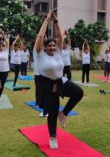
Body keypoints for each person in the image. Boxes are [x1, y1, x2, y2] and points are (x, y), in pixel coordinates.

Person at [34, 11, 83, 150]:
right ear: (44, 47)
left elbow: (60, 37)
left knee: (78, 93)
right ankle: (53, 137)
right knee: (52, 112)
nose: (52, 47)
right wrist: (47, 20)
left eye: (54, 45)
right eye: (49, 45)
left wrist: (56, 22)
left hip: (60, 81)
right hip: (47, 85)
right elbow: (40, 36)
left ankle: (64, 114)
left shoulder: (58, 53)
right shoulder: (39, 54)